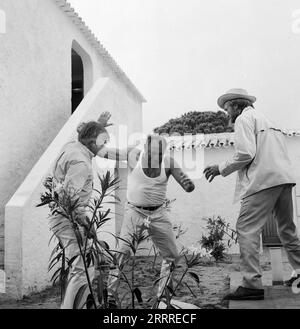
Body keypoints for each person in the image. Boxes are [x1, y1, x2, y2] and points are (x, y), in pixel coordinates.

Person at [204, 88, 300, 301]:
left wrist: (219, 169)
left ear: (237, 106)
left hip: (263, 180)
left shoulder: (243, 119)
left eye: (227, 108)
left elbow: (246, 153)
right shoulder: (267, 120)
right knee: (286, 228)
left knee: (246, 228)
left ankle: (251, 285)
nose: (226, 113)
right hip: (284, 178)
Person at [100, 134, 195, 306]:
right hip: (135, 211)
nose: (156, 158)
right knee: (122, 251)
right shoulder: (133, 156)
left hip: (158, 213)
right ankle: (111, 298)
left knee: (172, 255)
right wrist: (94, 137)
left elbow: (186, 184)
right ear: (145, 148)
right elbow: (104, 152)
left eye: (160, 154)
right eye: (153, 154)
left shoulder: (169, 162)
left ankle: (162, 299)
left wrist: (189, 184)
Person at [49, 113, 111, 309]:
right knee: (81, 270)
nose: (105, 146)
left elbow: (83, 133)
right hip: (70, 220)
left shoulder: (72, 147)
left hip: (63, 218)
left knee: (83, 267)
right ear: (92, 142)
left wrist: (97, 126)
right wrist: (87, 223)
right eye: (103, 141)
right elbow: (71, 197)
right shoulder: (81, 162)